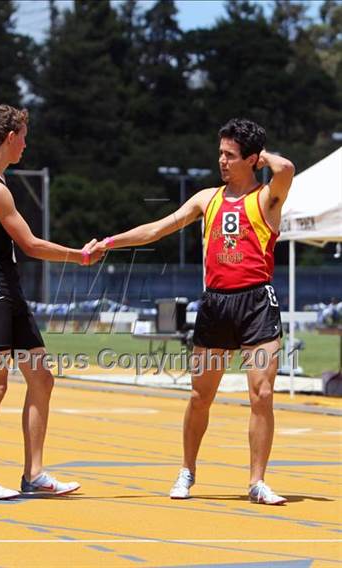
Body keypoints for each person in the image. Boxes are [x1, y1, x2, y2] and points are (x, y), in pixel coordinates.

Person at [91, 118, 295, 505]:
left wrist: (263, 154)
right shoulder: (206, 199)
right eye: (220, 152)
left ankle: (257, 481)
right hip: (216, 303)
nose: (221, 160)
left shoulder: (269, 197)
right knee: (201, 396)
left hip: (256, 302)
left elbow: (286, 169)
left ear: (251, 159)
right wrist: (110, 242)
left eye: (230, 155)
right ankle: (187, 469)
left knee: (262, 393)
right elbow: (158, 228)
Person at [0, 104, 103, 499]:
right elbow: (33, 245)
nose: (26, 143)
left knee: (41, 378)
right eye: (23, 135)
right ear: (9, 137)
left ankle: (34, 473)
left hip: (8, 291)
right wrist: (81, 256)